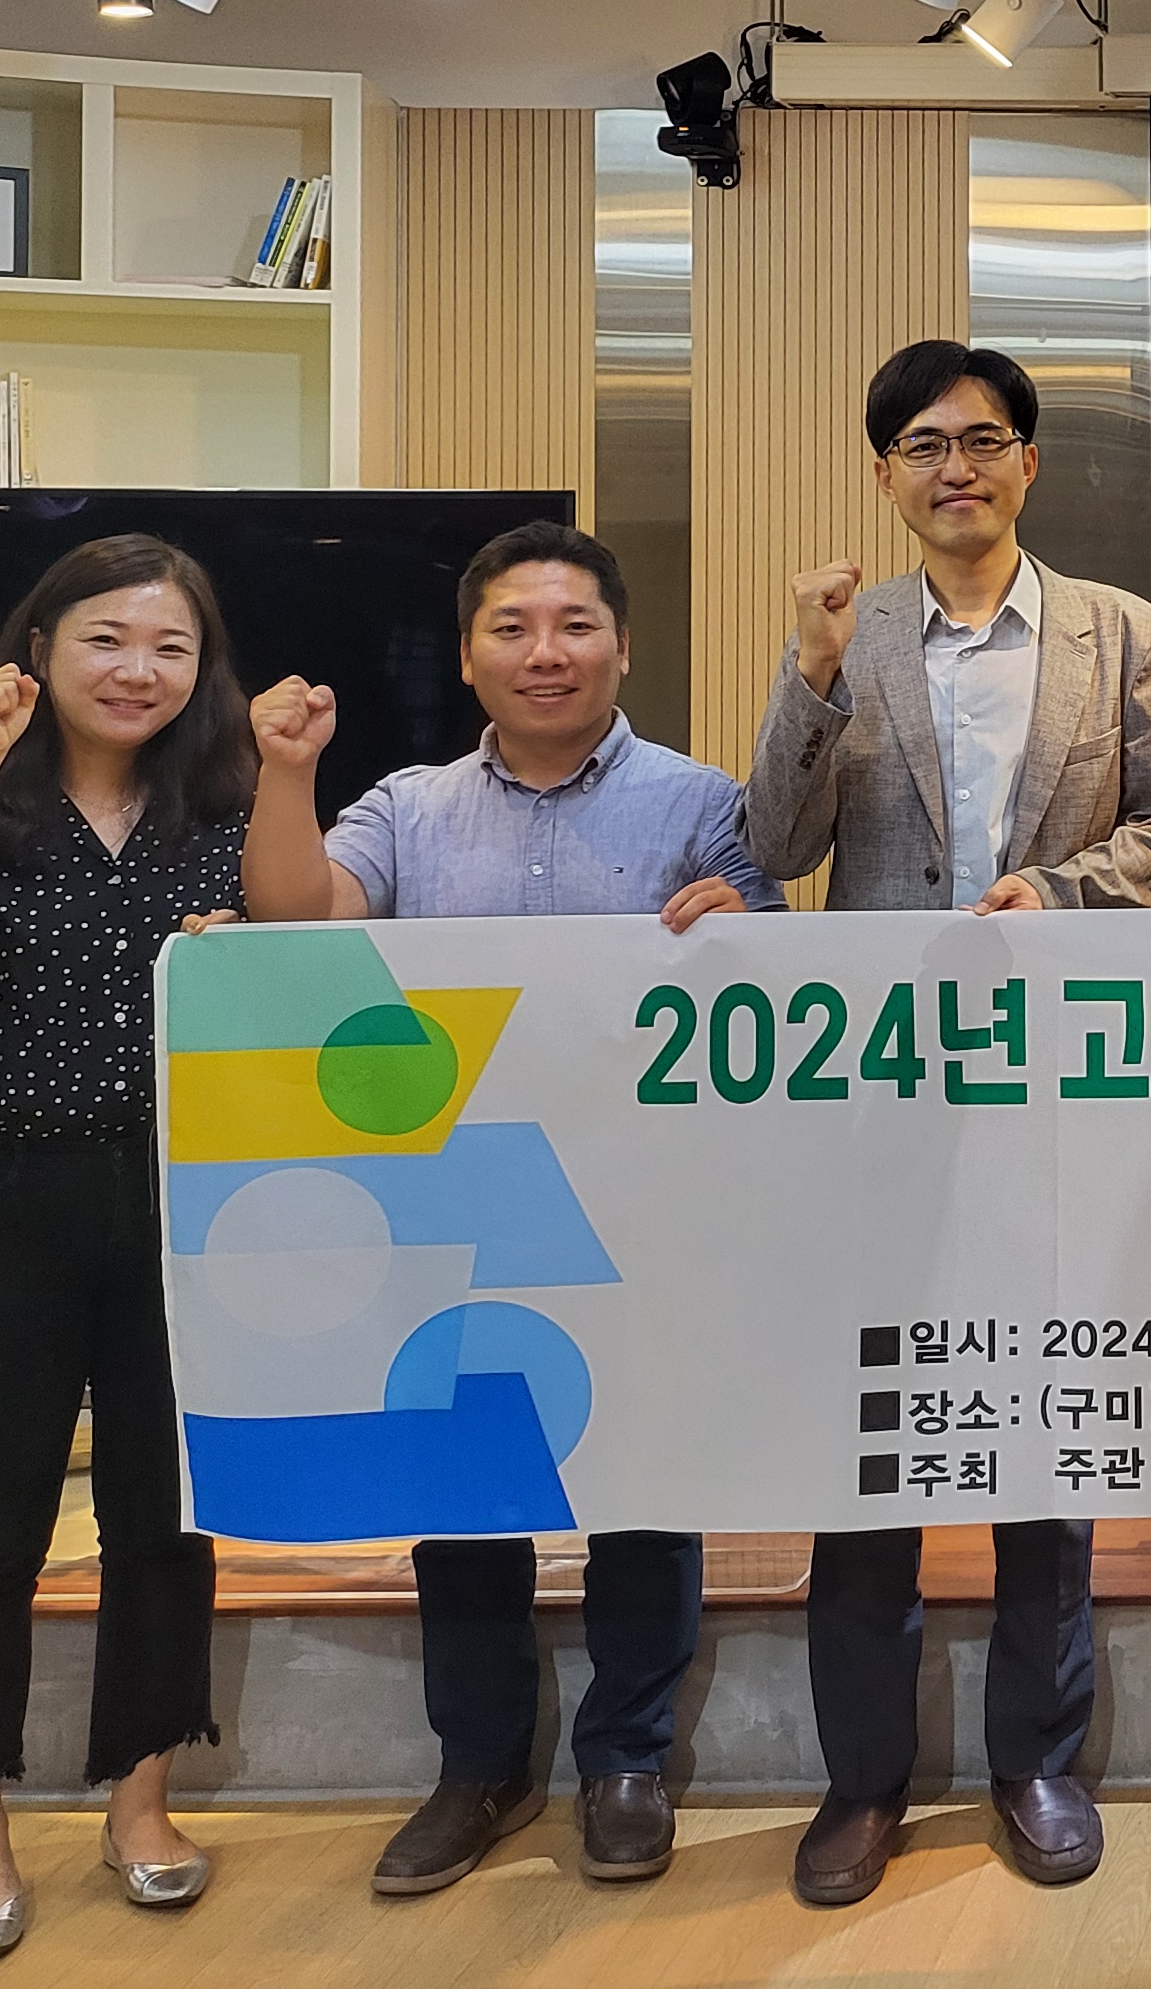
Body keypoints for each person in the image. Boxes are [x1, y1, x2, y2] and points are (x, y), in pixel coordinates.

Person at [745, 339, 1151, 1909]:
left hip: (1057, 1086)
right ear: (887, 473)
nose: (959, 467)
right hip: (878, 1089)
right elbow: (776, 844)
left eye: (986, 440)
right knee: (872, 1434)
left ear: (1028, 463)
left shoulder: (1122, 633)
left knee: (1044, 1429)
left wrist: (1062, 895)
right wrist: (807, 675)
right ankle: (863, 1778)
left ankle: (1037, 1759)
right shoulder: (851, 637)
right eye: (926, 446)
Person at [238, 521, 767, 1906]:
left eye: (575, 624)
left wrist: (746, 926)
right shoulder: (405, 807)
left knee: (645, 1479)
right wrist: (285, 773)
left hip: (643, 1201)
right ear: (469, 656)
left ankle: (628, 1759)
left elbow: (770, 980)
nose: (547, 652)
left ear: (624, 647)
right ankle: (478, 1767)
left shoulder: (701, 801)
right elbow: (294, 917)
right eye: (513, 628)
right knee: (461, 1491)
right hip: (456, 1202)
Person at [0, 537, 248, 1961]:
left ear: (202, 671)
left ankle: (141, 1801)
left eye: (170, 647)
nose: (139, 670)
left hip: (179, 1205)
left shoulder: (222, 818)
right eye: (106, 641)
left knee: (161, 1519)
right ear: (39, 654)